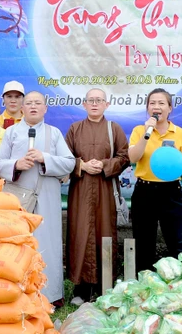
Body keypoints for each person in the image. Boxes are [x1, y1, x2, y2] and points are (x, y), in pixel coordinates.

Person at [0, 91, 75, 305]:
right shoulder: (11, 132)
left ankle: (51, 294)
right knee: (19, 242)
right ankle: (18, 293)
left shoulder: (54, 133)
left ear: (45, 108)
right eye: (28, 103)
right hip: (20, 196)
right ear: (22, 108)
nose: (33, 106)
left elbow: (69, 163)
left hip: (47, 195)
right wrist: (16, 165)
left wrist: (44, 158)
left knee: (48, 241)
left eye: (38, 103)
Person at [64, 88, 130, 305]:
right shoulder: (75, 129)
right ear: (84, 104)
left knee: (105, 233)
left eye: (99, 100)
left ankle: (105, 286)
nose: (94, 104)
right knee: (80, 233)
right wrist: (81, 165)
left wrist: (103, 165)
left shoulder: (114, 128)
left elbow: (125, 156)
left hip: (105, 188)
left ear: (106, 104)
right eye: (90, 100)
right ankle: (81, 288)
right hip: (81, 189)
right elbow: (64, 159)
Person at [128, 88, 182, 273]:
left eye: (161, 103)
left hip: (171, 192)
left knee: (176, 242)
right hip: (144, 191)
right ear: (147, 108)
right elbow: (133, 157)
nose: (156, 107)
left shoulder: (180, 133)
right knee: (143, 243)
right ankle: (145, 284)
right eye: (152, 103)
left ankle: (181, 286)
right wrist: (147, 133)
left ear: (170, 108)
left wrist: (173, 158)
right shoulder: (139, 130)